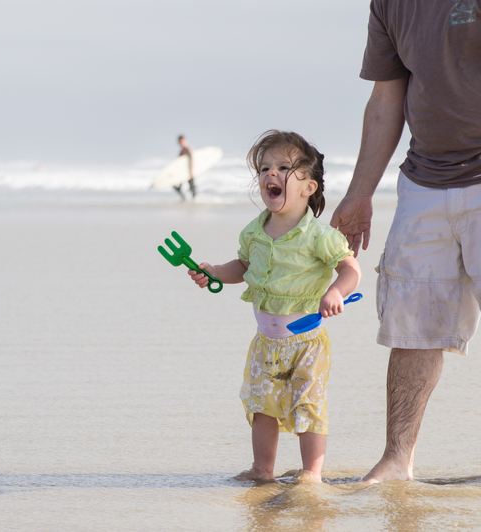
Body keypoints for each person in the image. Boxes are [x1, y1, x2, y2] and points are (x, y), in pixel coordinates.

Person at [330, 1, 481, 484]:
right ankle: (397, 460)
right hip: (423, 181)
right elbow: (386, 97)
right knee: (410, 326)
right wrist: (359, 193)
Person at [188, 130, 361, 482]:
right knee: (261, 406)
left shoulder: (319, 235)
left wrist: (335, 292)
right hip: (265, 343)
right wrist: (215, 272)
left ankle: (311, 473)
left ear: (308, 187)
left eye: (283, 167)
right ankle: (262, 468)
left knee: (308, 405)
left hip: (307, 343)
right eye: (264, 168)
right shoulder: (253, 232)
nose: (270, 173)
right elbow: (243, 267)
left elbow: (350, 269)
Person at [173, 135, 197, 201]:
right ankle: (184, 198)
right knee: (177, 186)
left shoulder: (188, 149)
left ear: (183, 140)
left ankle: (194, 199)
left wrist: (191, 171)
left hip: (189, 171)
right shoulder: (181, 151)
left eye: (180, 141)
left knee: (192, 186)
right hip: (182, 172)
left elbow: (192, 160)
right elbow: (180, 163)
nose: (179, 143)